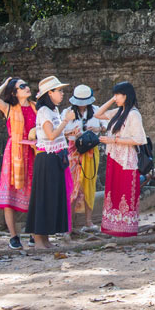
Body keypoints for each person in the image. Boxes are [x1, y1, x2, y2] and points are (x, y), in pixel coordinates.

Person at [25, 75, 72, 249]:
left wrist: (67, 131)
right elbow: (50, 135)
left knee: (51, 197)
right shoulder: (44, 111)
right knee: (43, 198)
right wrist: (66, 121)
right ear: (49, 93)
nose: (61, 94)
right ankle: (38, 239)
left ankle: (45, 238)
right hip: (46, 159)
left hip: (56, 157)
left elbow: (54, 134)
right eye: (58, 91)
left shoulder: (54, 111)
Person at [95, 82, 146, 237]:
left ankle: (126, 229)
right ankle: (113, 227)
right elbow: (98, 114)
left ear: (126, 96)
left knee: (125, 192)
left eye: (118, 94)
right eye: (115, 94)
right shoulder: (119, 112)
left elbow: (139, 139)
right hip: (114, 158)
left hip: (126, 161)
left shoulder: (133, 114)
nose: (115, 97)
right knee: (113, 192)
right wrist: (112, 100)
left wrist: (114, 141)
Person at [0, 76, 36, 250]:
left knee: (34, 193)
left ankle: (33, 232)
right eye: (22, 86)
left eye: (26, 85)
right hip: (15, 154)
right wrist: (4, 83)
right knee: (9, 194)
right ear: (14, 92)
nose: (27, 88)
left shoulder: (35, 107)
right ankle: (14, 236)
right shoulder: (9, 108)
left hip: (32, 153)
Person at [63, 84, 103, 230]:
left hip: (91, 151)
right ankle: (69, 223)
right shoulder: (67, 113)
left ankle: (88, 221)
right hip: (74, 151)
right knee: (73, 185)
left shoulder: (97, 111)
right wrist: (73, 133)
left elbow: (105, 126)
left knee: (89, 184)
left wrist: (97, 129)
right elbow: (62, 132)